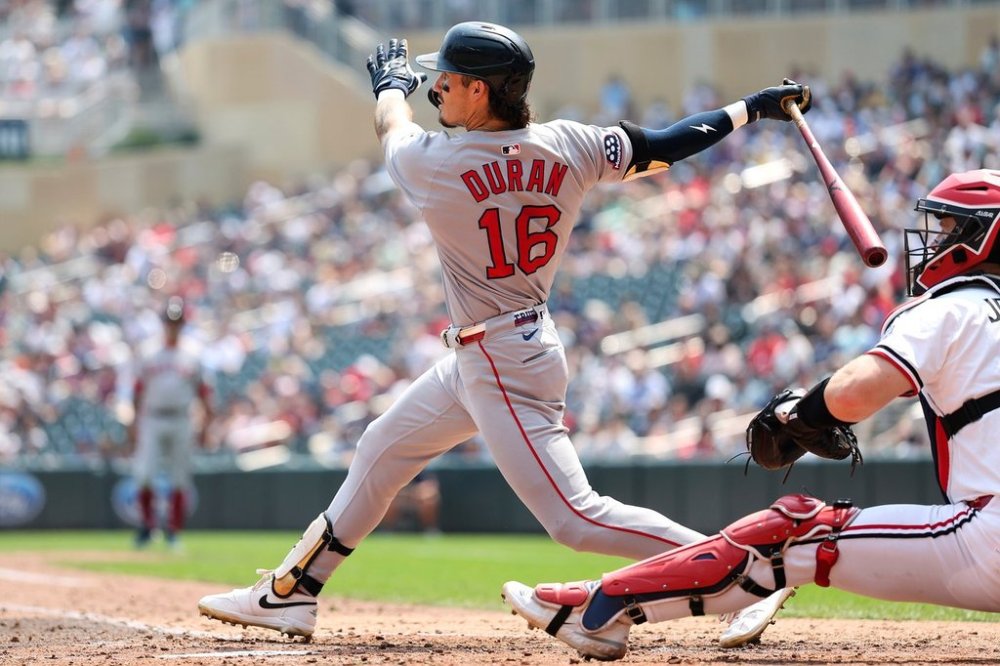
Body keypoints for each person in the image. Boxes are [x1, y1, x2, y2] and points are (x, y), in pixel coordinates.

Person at [197, 21, 810, 645]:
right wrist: (752, 107)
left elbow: (391, 128)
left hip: (500, 357)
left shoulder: (438, 162)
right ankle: (293, 591)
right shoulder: (570, 144)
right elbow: (667, 144)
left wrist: (389, 86)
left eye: (448, 80)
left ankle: (746, 568)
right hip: (495, 347)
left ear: (482, 92)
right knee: (381, 450)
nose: (437, 89)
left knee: (575, 519)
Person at [500, 169, 1000, 661]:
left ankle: (599, 609)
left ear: (983, 238)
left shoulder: (952, 308)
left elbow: (853, 395)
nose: (936, 241)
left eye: (952, 228)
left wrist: (796, 413)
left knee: (795, 529)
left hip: (990, 539)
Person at [130, 296, 213, 549]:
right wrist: (134, 422)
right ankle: (147, 527)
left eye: (177, 321)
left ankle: (174, 532)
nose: (172, 326)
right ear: (163, 322)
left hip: (181, 418)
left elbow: (204, 393)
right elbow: (137, 391)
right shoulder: (148, 351)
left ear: (183, 323)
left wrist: (206, 425)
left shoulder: (193, 353)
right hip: (152, 417)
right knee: (144, 474)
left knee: (180, 477)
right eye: (169, 321)